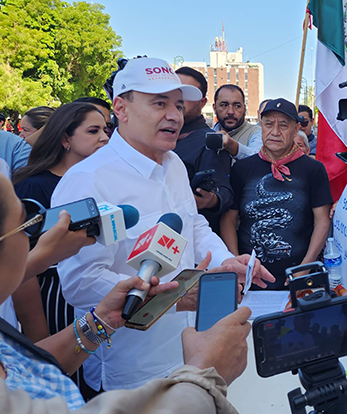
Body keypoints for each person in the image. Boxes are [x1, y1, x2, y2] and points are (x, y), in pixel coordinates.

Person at [51, 57, 274, 394]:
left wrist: (224, 260)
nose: (173, 114)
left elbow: (193, 224)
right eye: (159, 103)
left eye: (178, 105)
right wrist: (176, 299)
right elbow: (80, 284)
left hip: (192, 354)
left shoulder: (172, 164)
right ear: (121, 109)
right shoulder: (86, 181)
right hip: (132, 371)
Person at [0, 172, 248, 413]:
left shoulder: (174, 166)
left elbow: (27, 368)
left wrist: (101, 322)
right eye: (25, 224)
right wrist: (202, 376)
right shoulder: (89, 176)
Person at [11, 103, 109, 393]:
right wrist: (39, 337)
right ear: (65, 139)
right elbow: (22, 267)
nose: (104, 137)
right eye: (93, 131)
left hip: (102, 296)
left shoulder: (104, 180)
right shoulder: (33, 188)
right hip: (57, 299)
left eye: (106, 129)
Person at [220, 98, 332, 289]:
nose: (275, 132)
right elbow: (228, 219)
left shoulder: (313, 169)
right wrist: (236, 261)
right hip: (250, 275)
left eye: (283, 125)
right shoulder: (242, 168)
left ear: (296, 129)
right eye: (269, 124)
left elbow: (322, 220)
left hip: (297, 275)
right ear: (261, 126)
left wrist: (305, 266)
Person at [174, 66, 233, 235]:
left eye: (186, 95)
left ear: (202, 103)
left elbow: (225, 191)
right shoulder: (152, 136)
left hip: (193, 239)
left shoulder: (209, 140)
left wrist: (211, 200)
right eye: (174, 92)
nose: (178, 101)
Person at [212, 85, 262, 162]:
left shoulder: (256, 132)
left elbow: (257, 159)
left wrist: (231, 145)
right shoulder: (206, 133)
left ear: (245, 110)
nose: (231, 112)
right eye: (224, 105)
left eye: (237, 106)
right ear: (215, 108)